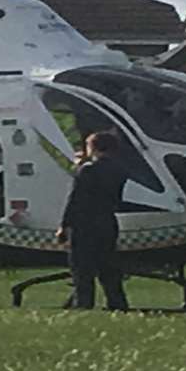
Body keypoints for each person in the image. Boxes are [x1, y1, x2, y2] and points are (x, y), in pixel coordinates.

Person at [54, 130, 130, 311]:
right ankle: (117, 303)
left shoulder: (88, 171)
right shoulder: (119, 170)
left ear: (93, 148)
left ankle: (84, 303)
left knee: (82, 268)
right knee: (108, 266)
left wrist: (64, 225)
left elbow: (76, 199)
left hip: (85, 223)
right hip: (107, 221)